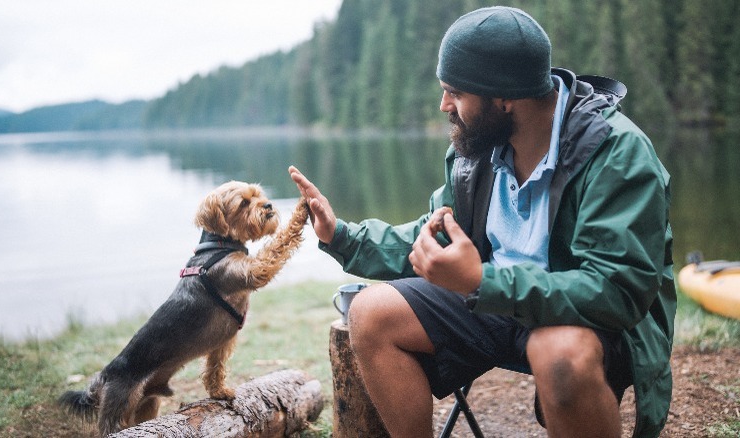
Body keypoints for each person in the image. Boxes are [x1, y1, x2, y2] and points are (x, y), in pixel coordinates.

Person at [289, 6, 674, 438]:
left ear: (504, 97)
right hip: (494, 302)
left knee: (558, 352)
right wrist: (341, 235)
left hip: (585, 320)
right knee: (371, 313)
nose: (444, 105)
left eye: (455, 92)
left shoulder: (615, 153)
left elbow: (617, 291)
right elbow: (430, 236)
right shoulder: (479, 145)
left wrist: (481, 282)